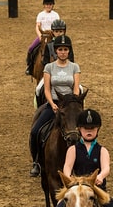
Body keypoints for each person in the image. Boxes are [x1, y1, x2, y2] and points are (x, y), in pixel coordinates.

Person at [29, 34, 80, 177]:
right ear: (56, 51)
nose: (63, 52)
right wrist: (52, 104)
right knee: (35, 131)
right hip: (54, 104)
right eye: (60, 49)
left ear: (68, 51)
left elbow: (76, 88)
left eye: (65, 49)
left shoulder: (75, 67)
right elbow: (46, 89)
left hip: (69, 106)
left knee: (85, 131)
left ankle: (85, 161)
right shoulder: (49, 67)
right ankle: (37, 162)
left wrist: (72, 104)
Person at [25, 0, 59, 76]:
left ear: (52, 5)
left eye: (50, 4)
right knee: (31, 48)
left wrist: (54, 35)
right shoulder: (40, 15)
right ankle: (29, 67)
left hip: (52, 36)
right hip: (42, 36)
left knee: (60, 50)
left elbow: (57, 27)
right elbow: (37, 26)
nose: (48, 6)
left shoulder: (56, 15)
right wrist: (40, 36)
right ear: (44, 5)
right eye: (47, 4)